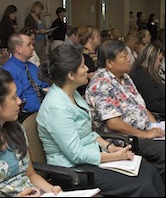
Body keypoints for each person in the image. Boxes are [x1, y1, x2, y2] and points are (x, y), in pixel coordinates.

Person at [36, 44, 164, 197]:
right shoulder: (56, 107)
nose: (87, 70)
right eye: (83, 66)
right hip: (74, 170)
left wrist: (109, 147)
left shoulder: (73, 94)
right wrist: (114, 157)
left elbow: (89, 132)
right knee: (140, 184)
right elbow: (76, 154)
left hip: (91, 158)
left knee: (147, 170)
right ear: (71, 74)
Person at [0, 68, 62, 197]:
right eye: (13, 98)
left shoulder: (17, 130)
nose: (19, 102)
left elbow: (30, 175)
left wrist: (53, 190)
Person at [85, 40, 165, 184]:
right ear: (109, 63)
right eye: (123, 57)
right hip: (124, 138)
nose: (129, 59)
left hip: (142, 131)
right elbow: (113, 123)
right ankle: (156, 186)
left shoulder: (125, 78)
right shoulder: (101, 84)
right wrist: (146, 134)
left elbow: (141, 107)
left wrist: (157, 127)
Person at [2, 33, 49, 123]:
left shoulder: (32, 67)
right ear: (18, 49)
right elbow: (18, 101)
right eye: (29, 45)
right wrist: (44, 107)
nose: (32, 47)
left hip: (44, 109)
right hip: (27, 116)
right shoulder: (8, 71)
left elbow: (45, 85)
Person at [129, 43, 165, 114]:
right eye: (160, 60)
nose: (160, 64)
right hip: (157, 116)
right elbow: (152, 105)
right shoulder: (141, 75)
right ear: (152, 58)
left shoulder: (149, 73)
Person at [77, 26, 101, 96]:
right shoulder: (84, 56)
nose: (100, 38)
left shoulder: (96, 53)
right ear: (90, 39)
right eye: (97, 36)